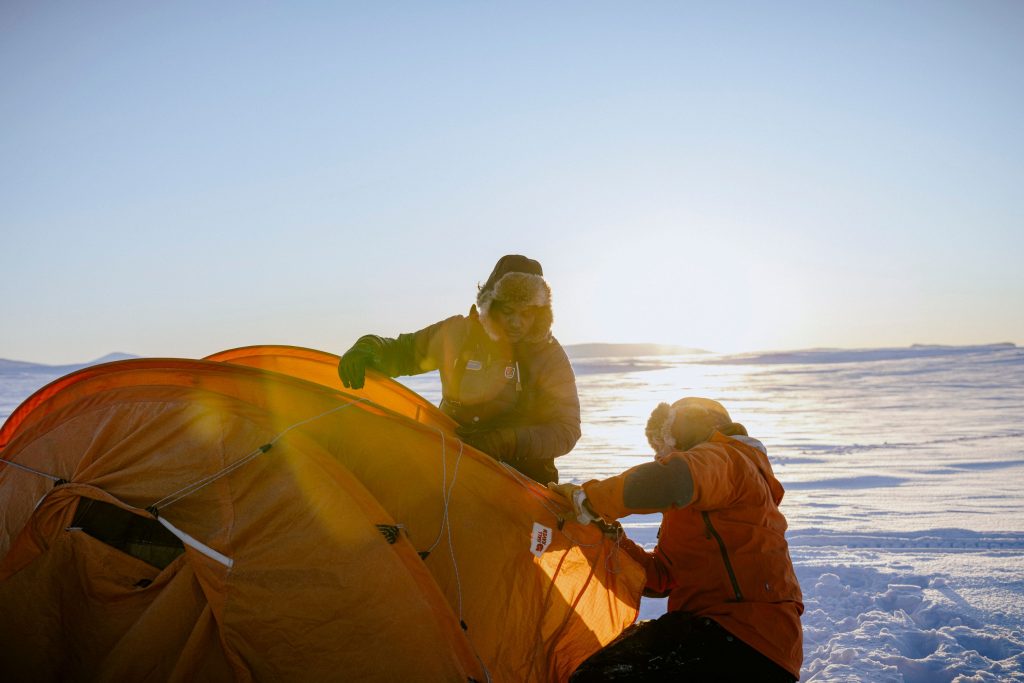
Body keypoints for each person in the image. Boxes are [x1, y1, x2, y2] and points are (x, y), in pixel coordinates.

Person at [549, 397, 803, 682]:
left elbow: (675, 478)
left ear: (689, 431)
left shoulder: (728, 459)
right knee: (596, 662)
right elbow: (663, 578)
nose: (660, 457)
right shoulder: (699, 501)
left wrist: (590, 500)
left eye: (665, 445)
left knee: (599, 675)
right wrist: (610, 539)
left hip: (746, 635)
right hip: (727, 636)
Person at [337, 255, 581, 484]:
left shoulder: (548, 356)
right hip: (451, 468)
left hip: (522, 482)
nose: (516, 322)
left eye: (526, 313)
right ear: (491, 305)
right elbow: (404, 352)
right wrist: (368, 348)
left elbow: (566, 429)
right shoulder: (458, 334)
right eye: (508, 311)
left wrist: (505, 441)